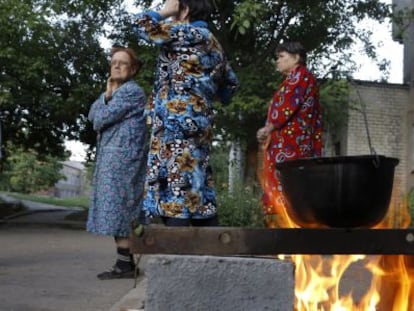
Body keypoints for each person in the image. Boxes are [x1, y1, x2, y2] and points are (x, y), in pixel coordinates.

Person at [132, 0, 238, 227]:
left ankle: (179, 254)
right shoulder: (214, 43)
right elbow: (230, 86)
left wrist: (165, 10)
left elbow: (140, 24)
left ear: (185, 10)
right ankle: (213, 253)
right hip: (200, 122)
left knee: (175, 189)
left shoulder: (183, 32)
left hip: (175, 123)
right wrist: (201, 93)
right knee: (198, 184)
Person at [87, 46, 147, 279]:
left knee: (121, 212)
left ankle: (126, 263)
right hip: (115, 160)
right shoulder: (115, 93)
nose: (117, 66)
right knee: (118, 213)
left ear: (133, 69)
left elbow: (99, 119)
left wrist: (108, 99)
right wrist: (107, 95)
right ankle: (125, 262)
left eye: (123, 63)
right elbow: (92, 114)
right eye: (114, 62)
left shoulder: (131, 92)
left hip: (123, 162)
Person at [256, 41, 323, 228]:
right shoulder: (294, 79)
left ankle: (285, 237)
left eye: (281, 57)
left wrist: (268, 129)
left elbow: (286, 108)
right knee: (288, 190)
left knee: (288, 190)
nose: (277, 61)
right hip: (288, 146)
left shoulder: (300, 77)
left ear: (296, 58)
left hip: (291, 148)